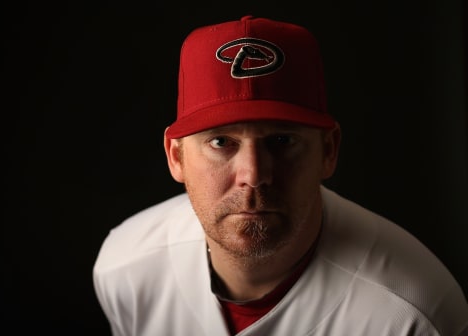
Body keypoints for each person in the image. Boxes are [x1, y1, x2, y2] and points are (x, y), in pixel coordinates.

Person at [93, 15, 468, 335]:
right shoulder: (127, 267)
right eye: (221, 141)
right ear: (176, 157)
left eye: (282, 140)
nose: (254, 175)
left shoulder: (412, 314)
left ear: (328, 151)